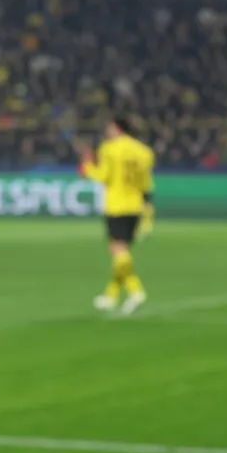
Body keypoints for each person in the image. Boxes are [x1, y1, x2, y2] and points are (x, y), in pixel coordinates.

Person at [79, 116, 156, 315]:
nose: (107, 131)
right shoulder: (144, 152)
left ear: (117, 129)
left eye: (110, 128)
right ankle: (110, 296)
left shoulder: (109, 149)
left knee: (117, 250)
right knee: (121, 253)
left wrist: (87, 168)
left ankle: (136, 290)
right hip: (135, 206)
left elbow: (103, 176)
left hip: (116, 205)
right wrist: (148, 213)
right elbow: (147, 185)